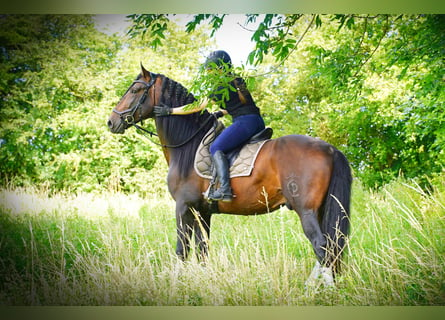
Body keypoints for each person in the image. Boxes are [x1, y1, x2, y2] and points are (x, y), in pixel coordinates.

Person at [154, 50, 265, 202]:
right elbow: (236, 105)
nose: (208, 72)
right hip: (256, 121)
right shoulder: (236, 81)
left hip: (244, 122)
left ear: (219, 68)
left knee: (215, 148)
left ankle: (225, 189)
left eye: (210, 69)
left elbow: (198, 106)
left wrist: (170, 110)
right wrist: (219, 113)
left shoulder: (221, 85)